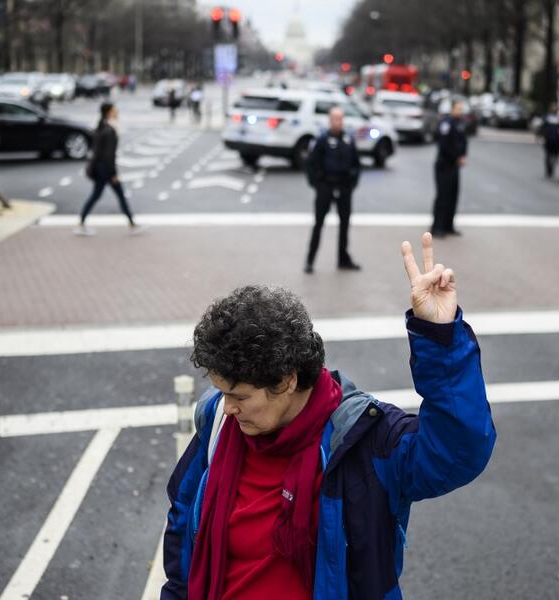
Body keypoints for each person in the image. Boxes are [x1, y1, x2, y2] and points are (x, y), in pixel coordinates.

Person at [162, 233, 496, 599]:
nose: (226, 405)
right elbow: (182, 529)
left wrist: (439, 338)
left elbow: (458, 453)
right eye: (223, 392)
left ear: (287, 380)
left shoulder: (366, 439)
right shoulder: (219, 424)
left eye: (238, 395)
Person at [304, 106, 362, 274]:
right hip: (325, 187)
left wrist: (352, 183)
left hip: (344, 188)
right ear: (330, 120)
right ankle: (310, 260)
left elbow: (356, 164)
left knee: (344, 225)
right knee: (318, 224)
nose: (338, 122)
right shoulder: (321, 140)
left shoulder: (348, 140)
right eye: (335, 119)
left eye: (340, 119)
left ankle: (343, 259)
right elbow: (311, 164)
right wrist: (317, 184)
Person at [76, 102, 139, 235]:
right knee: (117, 195)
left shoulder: (101, 127)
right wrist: (113, 173)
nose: (117, 112)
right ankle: (132, 224)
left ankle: (81, 222)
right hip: (106, 170)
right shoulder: (109, 130)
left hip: (100, 168)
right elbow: (108, 155)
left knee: (98, 195)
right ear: (109, 112)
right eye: (115, 110)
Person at [431, 99, 468, 238]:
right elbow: (444, 145)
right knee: (443, 196)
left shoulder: (460, 123)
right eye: (458, 108)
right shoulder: (446, 123)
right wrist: (457, 157)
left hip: (454, 166)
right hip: (444, 165)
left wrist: (463, 155)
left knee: (453, 196)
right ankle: (437, 227)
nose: (460, 111)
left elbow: (463, 141)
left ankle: (448, 225)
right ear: (452, 109)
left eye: (461, 109)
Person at [539, 103, 559, 177]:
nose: (554, 109)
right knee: (548, 155)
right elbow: (542, 128)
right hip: (548, 139)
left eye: (556, 108)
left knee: (556, 154)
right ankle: (549, 169)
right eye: (553, 108)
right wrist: (541, 136)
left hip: (557, 140)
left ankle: (553, 165)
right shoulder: (547, 118)